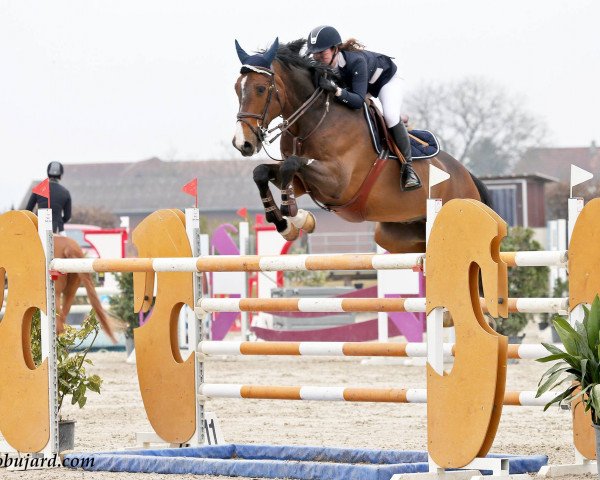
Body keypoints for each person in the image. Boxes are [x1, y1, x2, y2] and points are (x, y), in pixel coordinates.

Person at [306, 25, 421, 191]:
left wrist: (336, 90)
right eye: (314, 53)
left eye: (321, 53)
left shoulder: (356, 61)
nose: (317, 57)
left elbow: (358, 101)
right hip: (361, 85)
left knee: (389, 116)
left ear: (335, 49)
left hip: (386, 81)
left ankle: (408, 168)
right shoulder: (321, 64)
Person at [26, 161, 72, 234]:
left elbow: (28, 210)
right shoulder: (65, 192)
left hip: (40, 229)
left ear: (48, 173)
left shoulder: (39, 188)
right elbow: (67, 216)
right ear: (61, 175)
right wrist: (59, 221)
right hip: (58, 230)